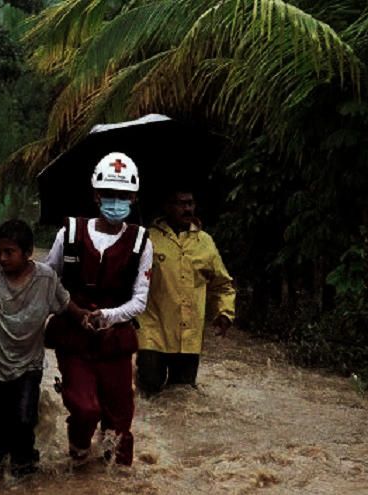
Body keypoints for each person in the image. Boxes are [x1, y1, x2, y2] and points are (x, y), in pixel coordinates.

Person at [43, 152, 153, 466]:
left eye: (123, 196)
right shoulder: (70, 233)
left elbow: (140, 300)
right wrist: (74, 312)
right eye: (110, 195)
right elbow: (47, 279)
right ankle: (77, 457)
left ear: (133, 198)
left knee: (119, 420)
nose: (116, 202)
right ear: (96, 195)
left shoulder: (141, 242)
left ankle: (116, 479)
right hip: (73, 337)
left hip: (114, 341)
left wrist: (108, 317)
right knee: (85, 408)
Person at [0, 219, 84, 482]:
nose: (2, 258)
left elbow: (70, 309)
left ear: (27, 252)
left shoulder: (46, 278)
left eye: (9, 252)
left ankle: (24, 475)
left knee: (23, 421)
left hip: (28, 367)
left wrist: (94, 319)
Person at [136, 189, 235, 395]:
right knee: (148, 391)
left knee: (182, 397)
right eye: (180, 203)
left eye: (190, 203)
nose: (187, 209)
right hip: (152, 333)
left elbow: (222, 284)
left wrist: (224, 312)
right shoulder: (147, 239)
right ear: (167, 207)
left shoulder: (205, 242)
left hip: (189, 335)